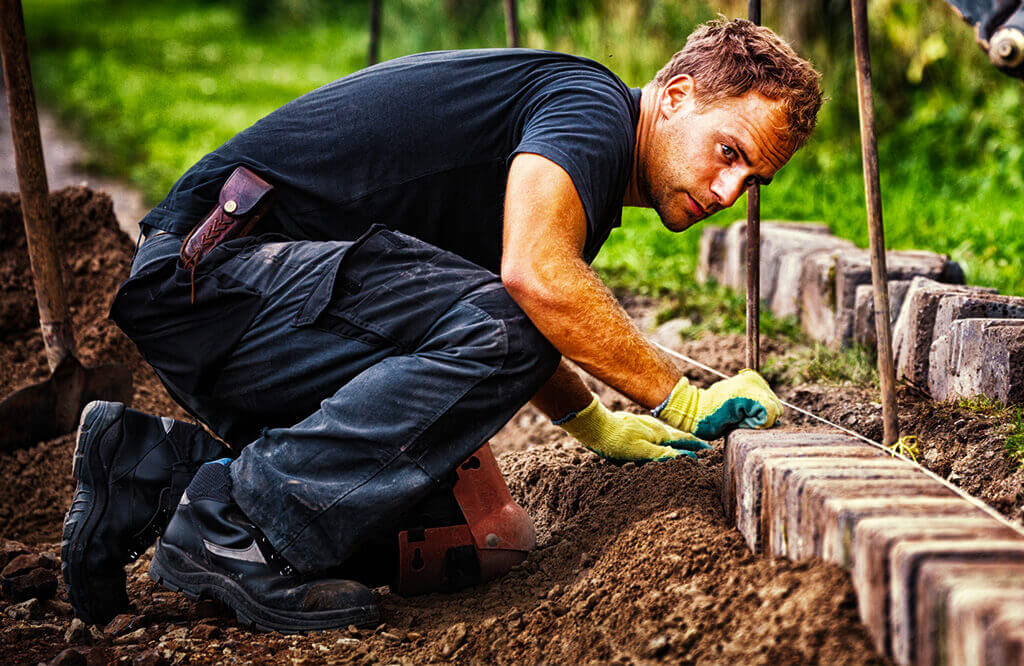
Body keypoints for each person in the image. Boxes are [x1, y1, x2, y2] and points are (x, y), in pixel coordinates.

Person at [60, 18, 822, 632]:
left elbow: (509, 292)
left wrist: (591, 421)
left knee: (449, 535)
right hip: (222, 274)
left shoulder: (580, 145)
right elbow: (531, 283)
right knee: (503, 341)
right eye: (730, 153)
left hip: (236, 297)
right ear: (677, 94)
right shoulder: (591, 110)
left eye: (751, 180)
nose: (729, 190)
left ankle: (151, 475)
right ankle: (239, 526)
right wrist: (675, 395)